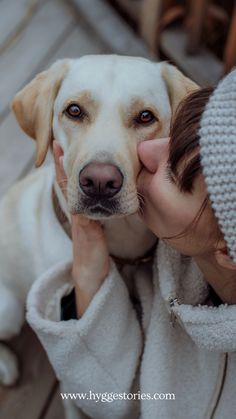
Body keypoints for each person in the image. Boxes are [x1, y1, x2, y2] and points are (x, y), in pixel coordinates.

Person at [27, 70, 236, 419]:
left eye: (175, 173)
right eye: (176, 135)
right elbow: (120, 388)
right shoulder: (181, 258)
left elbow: (121, 401)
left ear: (229, 249)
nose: (147, 152)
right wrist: (90, 260)